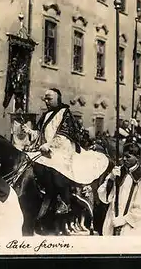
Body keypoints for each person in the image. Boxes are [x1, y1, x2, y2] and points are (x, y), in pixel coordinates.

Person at [21, 88, 109, 216]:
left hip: (63, 151)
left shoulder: (65, 113)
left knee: (56, 167)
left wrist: (49, 146)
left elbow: (64, 137)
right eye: (45, 98)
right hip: (46, 149)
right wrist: (30, 132)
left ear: (58, 99)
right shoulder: (46, 115)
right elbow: (41, 135)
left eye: (49, 98)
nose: (46, 101)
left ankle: (64, 200)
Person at [98, 142, 141, 235]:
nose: (124, 159)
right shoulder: (117, 172)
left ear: (137, 157)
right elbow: (104, 197)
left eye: (128, 157)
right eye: (123, 156)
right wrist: (111, 179)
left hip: (130, 226)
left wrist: (124, 220)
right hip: (113, 220)